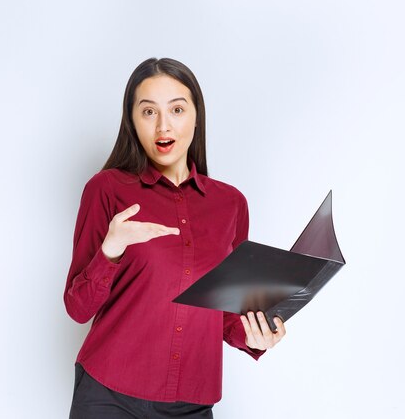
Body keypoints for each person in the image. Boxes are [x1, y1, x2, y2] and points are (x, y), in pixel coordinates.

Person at [64, 57, 286, 418]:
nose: (163, 125)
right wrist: (111, 249)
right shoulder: (106, 190)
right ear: (132, 121)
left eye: (177, 109)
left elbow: (226, 314)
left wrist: (255, 337)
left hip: (192, 402)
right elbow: (77, 307)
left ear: (196, 116)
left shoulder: (230, 204)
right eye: (148, 112)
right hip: (108, 395)